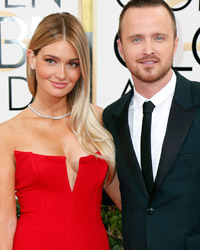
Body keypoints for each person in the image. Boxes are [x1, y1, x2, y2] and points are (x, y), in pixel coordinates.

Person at [0, 12, 121, 250]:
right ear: (32, 58)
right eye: (51, 60)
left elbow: (130, 201)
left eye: (72, 64)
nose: (61, 74)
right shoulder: (7, 135)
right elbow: (4, 223)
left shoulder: (98, 120)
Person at [103, 0, 200, 249]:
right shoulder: (111, 118)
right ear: (121, 48)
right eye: (136, 39)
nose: (148, 50)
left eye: (159, 38)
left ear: (175, 44)